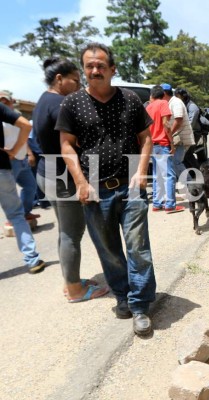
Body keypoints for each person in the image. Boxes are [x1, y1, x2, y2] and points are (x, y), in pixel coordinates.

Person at [58, 42, 156, 336]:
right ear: (84, 70)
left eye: (101, 65)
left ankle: (139, 306)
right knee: (110, 250)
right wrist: (81, 182)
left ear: (113, 69)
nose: (95, 70)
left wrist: (141, 172)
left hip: (130, 186)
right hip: (95, 191)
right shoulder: (72, 104)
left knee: (138, 248)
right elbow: (66, 145)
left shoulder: (129, 100)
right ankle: (123, 296)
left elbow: (146, 138)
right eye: (89, 65)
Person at [34, 57, 109, 302]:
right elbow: (76, 142)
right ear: (59, 79)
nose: (78, 85)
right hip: (64, 178)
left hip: (48, 173)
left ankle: (70, 281)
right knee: (72, 234)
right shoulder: (60, 104)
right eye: (75, 80)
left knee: (65, 232)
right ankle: (76, 290)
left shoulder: (44, 100)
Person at [0, 101, 46, 273]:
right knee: (16, 215)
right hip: (2, 170)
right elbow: (25, 125)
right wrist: (14, 150)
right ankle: (32, 260)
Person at [1, 91, 39, 222]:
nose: (3, 102)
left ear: (11, 101)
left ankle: (25, 212)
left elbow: (24, 137)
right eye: (0, 100)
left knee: (31, 186)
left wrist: (29, 153)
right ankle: (13, 219)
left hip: (22, 159)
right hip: (10, 161)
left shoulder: (17, 117)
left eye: (5, 100)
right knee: (10, 193)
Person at [146, 85, 179, 213]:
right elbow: (166, 124)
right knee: (169, 175)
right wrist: (171, 143)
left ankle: (157, 203)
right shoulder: (163, 103)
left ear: (151, 95)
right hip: (163, 144)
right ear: (163, 95)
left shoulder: (148, 107)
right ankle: (170, 204)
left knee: (156, 175)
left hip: (153, 145)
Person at [161, 83, 194, 203]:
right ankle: (177, 188)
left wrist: (168, 134)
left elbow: (178, 120)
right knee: (172, 164)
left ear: (164, 93)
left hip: (180, 138)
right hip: (175, 137)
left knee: (176, 162)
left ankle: (191, 185)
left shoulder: (175, 102)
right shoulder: (169, 103)